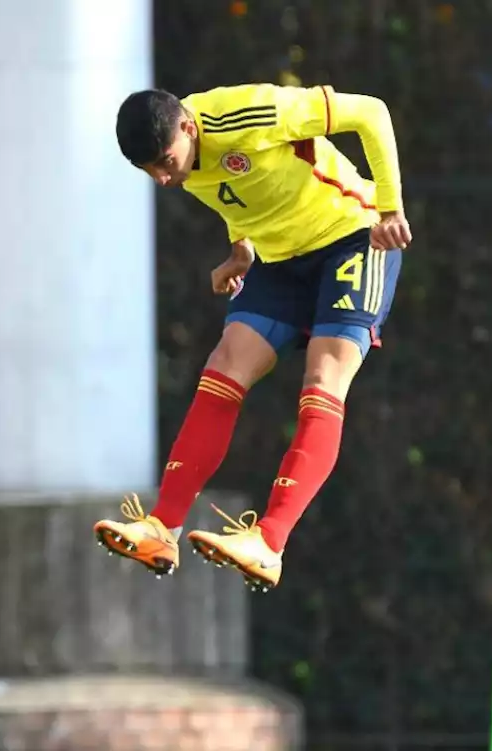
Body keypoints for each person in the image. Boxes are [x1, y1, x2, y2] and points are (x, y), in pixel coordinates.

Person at [95, 83, 412, 592]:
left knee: (324, 374)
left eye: (164, 161)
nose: (161, 176)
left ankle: (270, 541)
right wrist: (241, 250)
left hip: (353, 236)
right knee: (225, 363)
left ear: (188, 127)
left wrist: (391, 208)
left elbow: (371, 111)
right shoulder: (180, 157)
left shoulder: (253, 114)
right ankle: (163, 526)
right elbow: (238, 191)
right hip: (279, 259)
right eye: (148, 170)